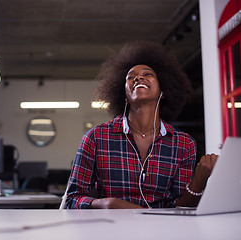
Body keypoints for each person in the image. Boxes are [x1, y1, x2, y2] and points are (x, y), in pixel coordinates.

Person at [66, 41, 218, 209]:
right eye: (130, 77)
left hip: (161, 233)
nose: (138, 77)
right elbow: (72, 199)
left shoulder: (183, 143)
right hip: (110, 231)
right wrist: (107, 203)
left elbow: (179, 208)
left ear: (163, 90)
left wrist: (199, 180)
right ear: (123, 94)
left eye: (148, 74)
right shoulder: (95, 137)